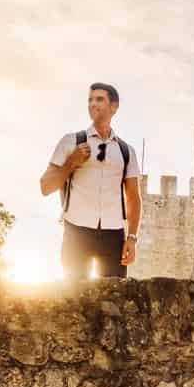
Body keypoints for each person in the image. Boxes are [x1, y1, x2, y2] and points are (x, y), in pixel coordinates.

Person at [40, 82, 144, 280]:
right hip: (76, 231)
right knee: (73, 301)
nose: (93, 104)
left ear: (114, 107)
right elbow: (45, 186)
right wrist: (71, 162)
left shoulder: (126, 151)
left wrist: (132, 237)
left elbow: (133, 197)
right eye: (90, 100)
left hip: (114, 235)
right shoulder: (71, 141)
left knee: (115, 301)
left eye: (99, 99)